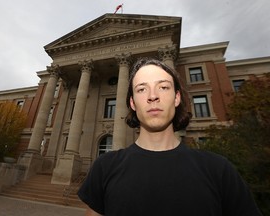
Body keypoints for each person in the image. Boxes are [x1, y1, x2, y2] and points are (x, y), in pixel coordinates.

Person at [78, 57, 262, 216]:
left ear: (176, 98)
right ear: (132, 103)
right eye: (142, 89)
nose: (153, 96)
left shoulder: (220, 170)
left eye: (163, 87)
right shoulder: (104, 167)